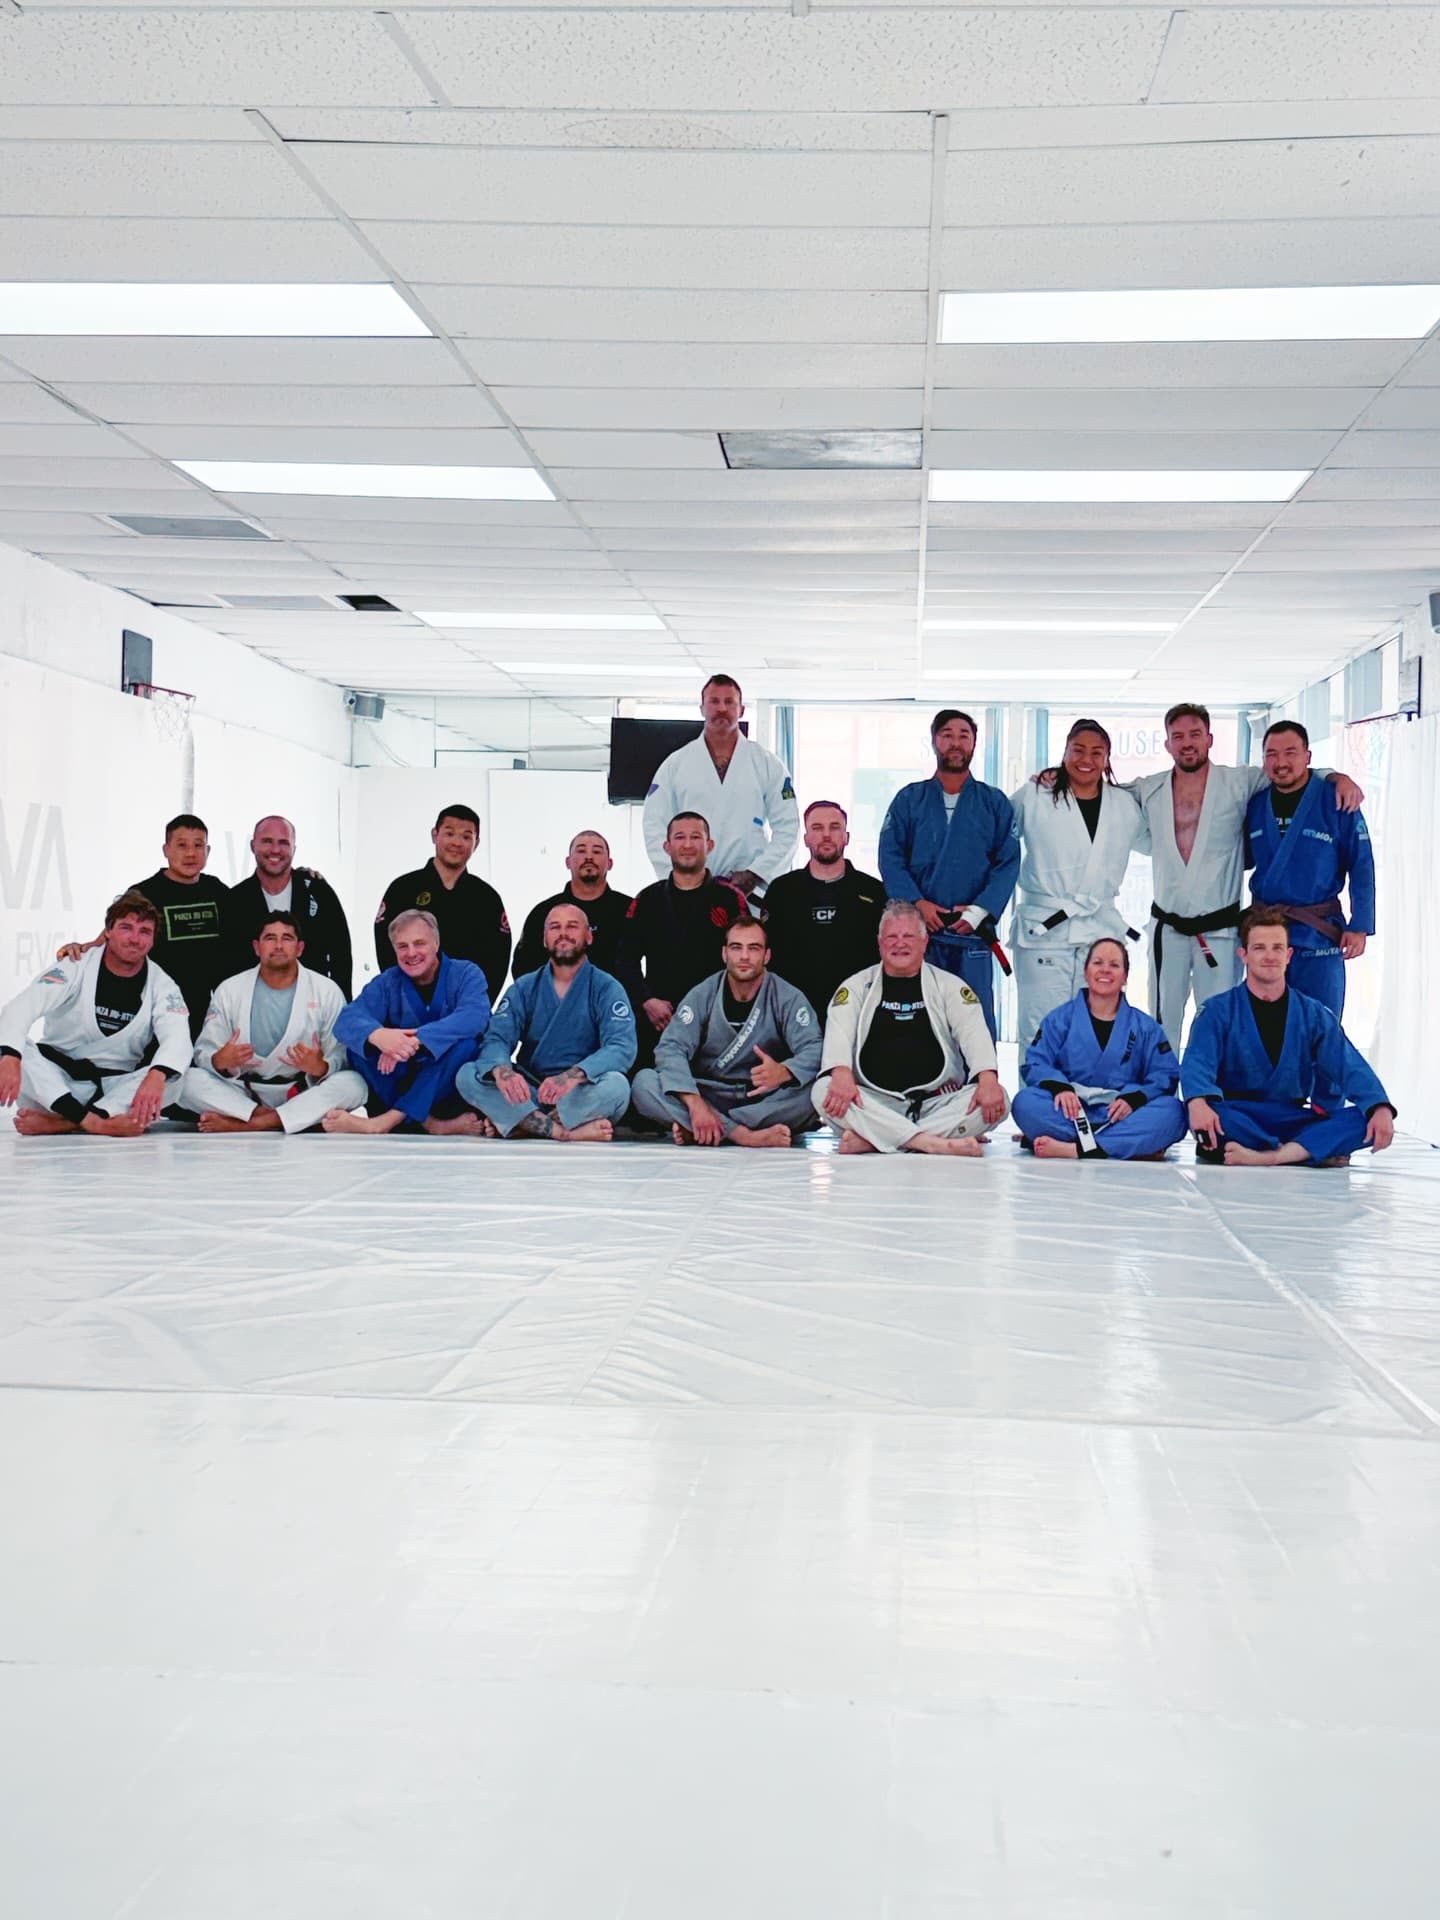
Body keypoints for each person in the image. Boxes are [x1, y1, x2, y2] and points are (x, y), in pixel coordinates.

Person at [1128, 703, 1362, 1051]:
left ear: (1210, 739)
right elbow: (1099, 792)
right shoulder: (1149, 788)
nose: (1187, 743)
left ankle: (1213, 1097)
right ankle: (1161, 1096)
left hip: (1220, 928)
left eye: (1195, 734)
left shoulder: (1239, 781)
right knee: (1162, 1020)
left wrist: (1336, 777)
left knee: (1221, 1019)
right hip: (1169, 928)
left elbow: (1291, 772)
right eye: (1178, 736)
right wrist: (1056, 778)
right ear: (1167, 745)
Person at [1182, 906, 1395, 1168]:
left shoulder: (1313, 1014)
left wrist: (1378, 1106)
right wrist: (1197, 1102)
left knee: (1363, 1120)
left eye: (1277, 948)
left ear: (1289, 955)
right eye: (1259, 948)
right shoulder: (1217, 1011)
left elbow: (1347, 1064)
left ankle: (1272, 1155)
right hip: (1238, 1114)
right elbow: (1197, 1063)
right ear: (1243, 955)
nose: (1269, 956)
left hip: (1291, 1116)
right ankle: (1305, 1150)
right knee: (1209, 1115)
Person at [813, 900, 1007, 1156]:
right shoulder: (855, 986)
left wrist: (987, 1077)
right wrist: (840, 1073)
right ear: (880, 943)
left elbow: (974, 1034)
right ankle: (931, 1142)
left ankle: (876, 1139)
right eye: (891, 937)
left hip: (936, 1102)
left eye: (908, 936)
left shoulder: (949, 985)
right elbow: (839, 1035)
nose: (900, 943)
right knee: (822, 1091)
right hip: (875, 1101)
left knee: (999, 1098)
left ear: (925, 942)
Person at [0, 889, 191, 1138]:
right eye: (126, 928)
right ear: (108, 932)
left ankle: (66, 1122)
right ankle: (93, 1122)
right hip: (55, 1083)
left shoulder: (162, 984)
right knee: (11, 1045)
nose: (135, 939)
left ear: (153, 940)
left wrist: (157, 1074)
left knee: (177, 1078)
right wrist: (11, 1057)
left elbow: (177, 1037)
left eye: (144, 931)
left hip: (112, 1092)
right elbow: (24, 1006)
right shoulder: (75, 965)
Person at [878, 708, 1020, 1039]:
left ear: (974, 744)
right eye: (947, 735)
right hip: (921, 932)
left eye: (963, 736)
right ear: (934, 742)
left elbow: (1008, 862)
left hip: (970, 933)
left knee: (974, 1020)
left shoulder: (994, 802)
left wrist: (978, 911)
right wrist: (915, 904)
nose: (955, 743)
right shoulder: (908, 800)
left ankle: (978, 1087)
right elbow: (890, 856)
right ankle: (920, 1088)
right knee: (917, 1016)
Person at [1010, 719, 1146, 1063]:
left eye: (1096, 752)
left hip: (1097, 928)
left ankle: (1086, 1101)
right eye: (1078, 750)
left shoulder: (1125, 805)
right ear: (1065, 752)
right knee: (1039, 1025)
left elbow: (1161, 840)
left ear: (1107, 759)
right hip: (1044, 927)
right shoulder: (1035, 795)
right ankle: (1039, 1106)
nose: (1086, 759)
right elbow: (996, 837)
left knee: (1093, 1024)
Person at [631, 914, 821, 1147]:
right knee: (644, 1083)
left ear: (767, 956)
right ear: (724, 954)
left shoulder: (787, 997)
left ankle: (705, 1128)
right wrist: (695, 1104)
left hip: (762, 1100)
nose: (744, 956)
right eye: (736, 947)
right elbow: (671, 1048)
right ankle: (742, 1135)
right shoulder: (703, 994)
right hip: (708, 1094)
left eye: (753, 948)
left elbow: (815, 1047)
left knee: (817, 1091)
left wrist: (785, 1071)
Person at [456, 903, 636, 1142]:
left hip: (579, 1091)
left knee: (617, 1086)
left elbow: (621, 1047)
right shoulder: (524, 987)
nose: (563, 933)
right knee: (467, 1074)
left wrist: (572, 1076)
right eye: (555, 927)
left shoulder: (606, 987)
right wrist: (503, 1072)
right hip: (530, 1089)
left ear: (589, 936)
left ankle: (523, 1123)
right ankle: (563, 1132)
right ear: (544, 939)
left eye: (572, 926)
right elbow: (497, 1038)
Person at [179, 911, 367, 1134]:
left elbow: (340, 1054)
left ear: (300, 948)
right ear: (257, 947)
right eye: (270, 938)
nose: (278, 945)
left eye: (287, 938)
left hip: (302, 1090)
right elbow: (204, 1052)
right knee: (184, 1082)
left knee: (355, 1084)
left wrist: (320, 1067)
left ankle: (251, 1123)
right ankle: (284, 1118)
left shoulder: (326, 990)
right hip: (243, 1091)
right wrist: (221, 1060)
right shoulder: (230, 989)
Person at [1011, 937, 1187, 1160]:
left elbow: (1165, 1074)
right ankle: (1121, 1144)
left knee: (1175, 1113)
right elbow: (1036, 1061)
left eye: (1114, 965)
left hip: (1121, 1114)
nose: (1105, 970)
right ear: (1085, 972)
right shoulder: (1060, 1019)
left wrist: (1134, 1100)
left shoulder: (1145, 1027)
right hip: (1071, 1112)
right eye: (1097, 963)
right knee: (1024, 1103)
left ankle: (1075, 1147)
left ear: (1125, 977)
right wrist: (1060, 1088)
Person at [56, 815, 232, 1038]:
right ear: (165, 849)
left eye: (198, 845)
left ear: (208, 850)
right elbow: (113, 935)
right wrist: (85, 947)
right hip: (151, 1007)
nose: (190, 853)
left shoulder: (217, 890)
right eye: (181, 845)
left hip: (202, 1012)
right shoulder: (146, 892)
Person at [1244, 720, 1375, 1018]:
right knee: (1265, 1028)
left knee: (1321, 1027)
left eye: (1290, 752)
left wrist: (1360, 925)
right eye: (1272, 754)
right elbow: (1238, 859)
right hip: (1267, 935)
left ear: (1308, 757)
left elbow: (1362, 865)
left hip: (1319, 935)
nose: (1281, 763)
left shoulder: (1338, 800)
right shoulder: (1254, 805)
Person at [328, 908, 490, 1135]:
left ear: (436, 943)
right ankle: (430, 1123)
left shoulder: (466, 973)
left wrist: (414, 1039)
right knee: (359, 1049)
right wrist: (380, 1036)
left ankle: (386, 1121)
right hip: (401, 1077)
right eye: (402, 946)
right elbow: (347, 1020)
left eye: (419, 943)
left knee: (467, 1046)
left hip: (444, 1082)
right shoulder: (387, 982)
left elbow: (476, 1016)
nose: (411, 953)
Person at [641, 673, 799, 894]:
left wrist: (756, 873)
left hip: (749, 889)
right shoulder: (675, 764)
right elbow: (654, 825)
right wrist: (679, 875)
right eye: (714, 701)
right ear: (702, 708)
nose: (722, 708)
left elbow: (788, 827)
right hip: (690, 888)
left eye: (729, 702)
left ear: (741, 710)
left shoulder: (766, 763)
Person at [616, 812, 748, 1067]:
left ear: (709, 845)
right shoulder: (647, 900)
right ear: (667, 847)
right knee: (649, 1088)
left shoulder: (730, 899)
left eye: (696, 837)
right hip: (660, 1019)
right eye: (679, 837)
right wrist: (647, 1001)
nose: (687, 845)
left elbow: (745, 961)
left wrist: (727, 1007)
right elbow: (625, 960)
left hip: (717, 1019)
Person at [760, 800, 886, 1023]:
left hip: (858, 1012)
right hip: (793, 1015)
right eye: (817, 828)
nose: (826, 835)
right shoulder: (782, 891)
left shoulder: (874, 892)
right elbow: (768, 958)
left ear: (846, 836)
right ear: (806, 838)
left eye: (835, 827)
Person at [373, 804, 510, 1003]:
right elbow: (385, 946)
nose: (457, 842)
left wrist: (476, 1004)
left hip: (467, 1008)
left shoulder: (486, 897)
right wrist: (404, 999)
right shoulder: (403, 888)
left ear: (476, 843)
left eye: (466, 836)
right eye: (449, 833)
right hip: (408, 1006)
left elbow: (498, 960)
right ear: (434, 835)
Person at [224, 814, 353, 996]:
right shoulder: (235, 900)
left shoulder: (318, 892)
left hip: (313, 1008)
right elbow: (226, 965)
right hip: (253, 1009)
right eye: (267, 841)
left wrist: (343, 1008)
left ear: (294, 848)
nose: (275, 849)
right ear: (253, 846)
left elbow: (341, 955)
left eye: (284, 842)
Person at [510, 829, 633, 980]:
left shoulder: (630, 910)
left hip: (618, 1001)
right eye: (581, 851)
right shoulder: (545, 912)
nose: (588, 857)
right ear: (568, 862)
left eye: (597, 851)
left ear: (610, 863)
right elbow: (523, 968)